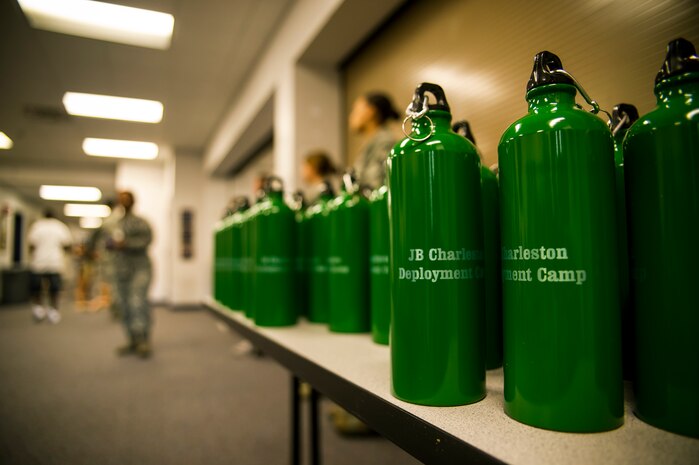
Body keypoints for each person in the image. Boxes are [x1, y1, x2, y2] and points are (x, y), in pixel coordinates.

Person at [111, 191, 153, 359]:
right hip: (121, 269)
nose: (124, 202)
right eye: (121, 199)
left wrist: (126, 243)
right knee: (124, 304)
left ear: (133, 202)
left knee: (137, 301)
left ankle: (143, 339)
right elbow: (105, 241)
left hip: (140, 268)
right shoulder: (115, 223)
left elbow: (147, 240)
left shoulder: (141, 222)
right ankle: (131, 339)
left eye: (127, 199)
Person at [27, 209, 73, 324]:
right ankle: (54, 311)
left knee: (37, 288)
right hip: (55, 262)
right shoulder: (60, 227)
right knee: (55, 289)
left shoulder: (37, 226)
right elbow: (67, 245)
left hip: (39, 262)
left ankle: (39, 309)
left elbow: (31, 245)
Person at [348, 92, 399, 189]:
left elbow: (376, 183)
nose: (351, 116)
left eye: (355, 109)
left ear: (371, 111)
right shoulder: (374, 142)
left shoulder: (385, 141)